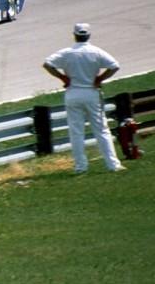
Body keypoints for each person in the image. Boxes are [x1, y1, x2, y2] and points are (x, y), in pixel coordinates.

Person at [43, 23, 125, 173]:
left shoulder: (67, 53)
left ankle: (80, 167)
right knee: (101, 130)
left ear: (74, 35)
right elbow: (115, 66)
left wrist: (62, 77)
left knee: (76, 132)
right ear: (89, 35)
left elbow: (47, 64)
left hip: (73, 93)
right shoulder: (96, 52)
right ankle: (113, 165)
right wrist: (99, 79)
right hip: (91, 92)